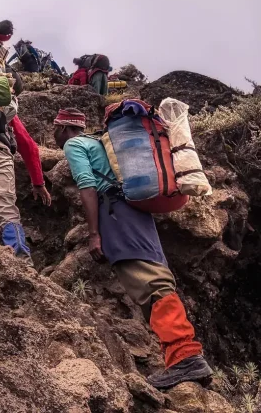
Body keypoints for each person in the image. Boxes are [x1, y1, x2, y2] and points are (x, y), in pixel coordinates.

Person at [53, 108, 213, 390]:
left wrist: (94, 234)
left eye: (55, 127)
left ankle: (185, 356)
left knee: (150, 283)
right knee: (156, 278)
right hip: (138, 213)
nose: (54, 133)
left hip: (116, 215)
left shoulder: (74, 144)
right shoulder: (99, 142)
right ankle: (183, 354)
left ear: (65, 128)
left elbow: (88, 187)